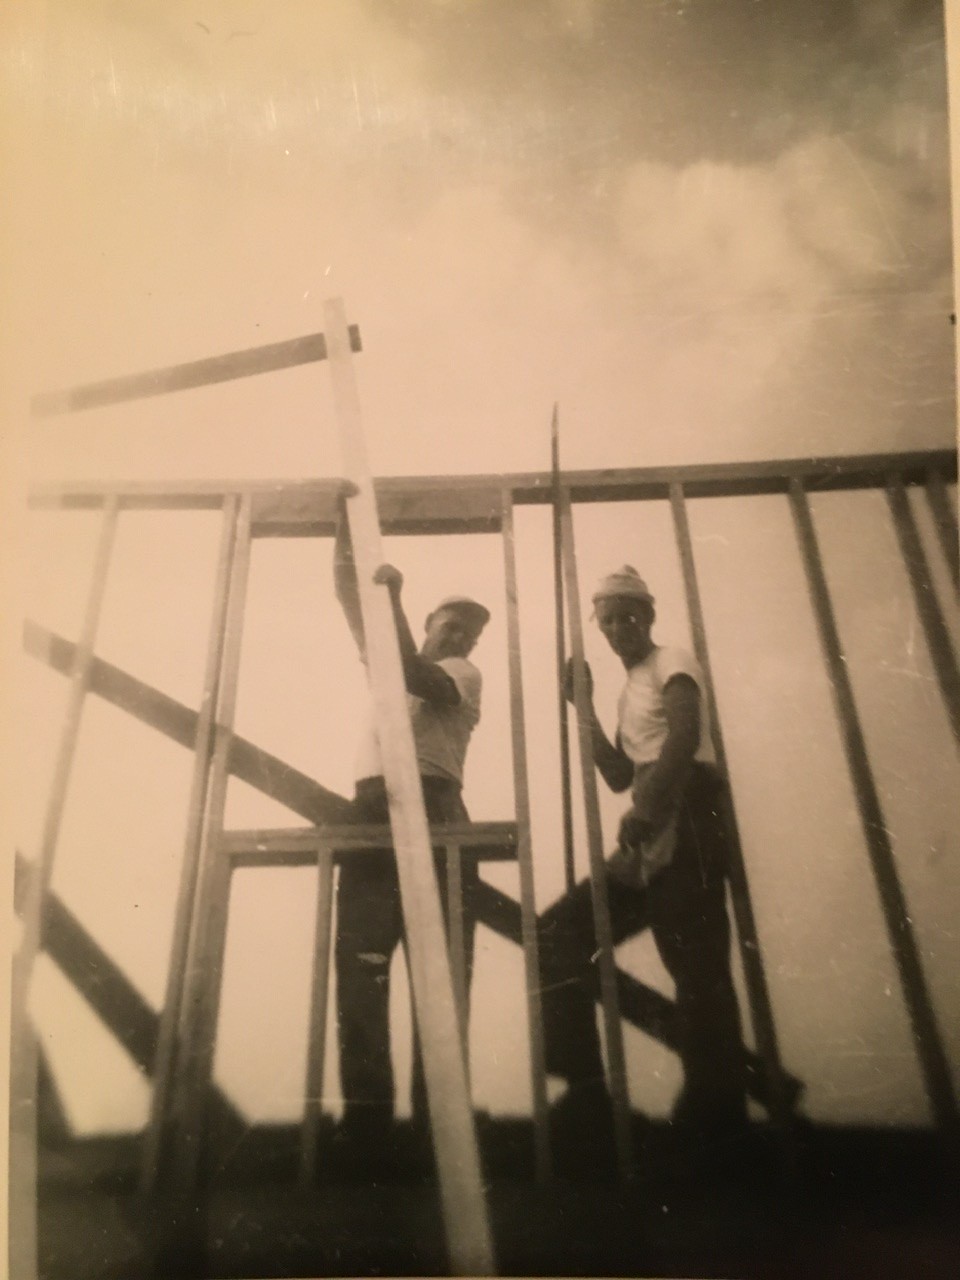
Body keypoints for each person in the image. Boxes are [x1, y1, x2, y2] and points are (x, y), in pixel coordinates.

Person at [539, 565, 747, 1168]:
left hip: (690, 816)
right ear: (599, 629)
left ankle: (717, 1124)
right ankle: (585, 1094)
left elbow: (685, 736)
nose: (620, 626)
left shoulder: (670, 660)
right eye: (609, 619)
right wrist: (580, 705)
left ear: (649, 616)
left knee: (697, 969)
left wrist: (652, 808)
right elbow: (615, 774)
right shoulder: (629, 686)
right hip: (647, 829)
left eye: (630, 614)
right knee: (558, 935)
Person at [332, 489, 490, 1166]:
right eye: (449, 625)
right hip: (372, 809)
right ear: (427, 622)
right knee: (362, 967)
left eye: (468, 631)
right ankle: (367, 1132)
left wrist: (392, 598)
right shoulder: (388, 666)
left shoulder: (458, 673)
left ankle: (438, 1133)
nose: (459, 637)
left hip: (434, 807)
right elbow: (354, 605)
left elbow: (410, 665)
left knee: (442, 976)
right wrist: (346, 536)